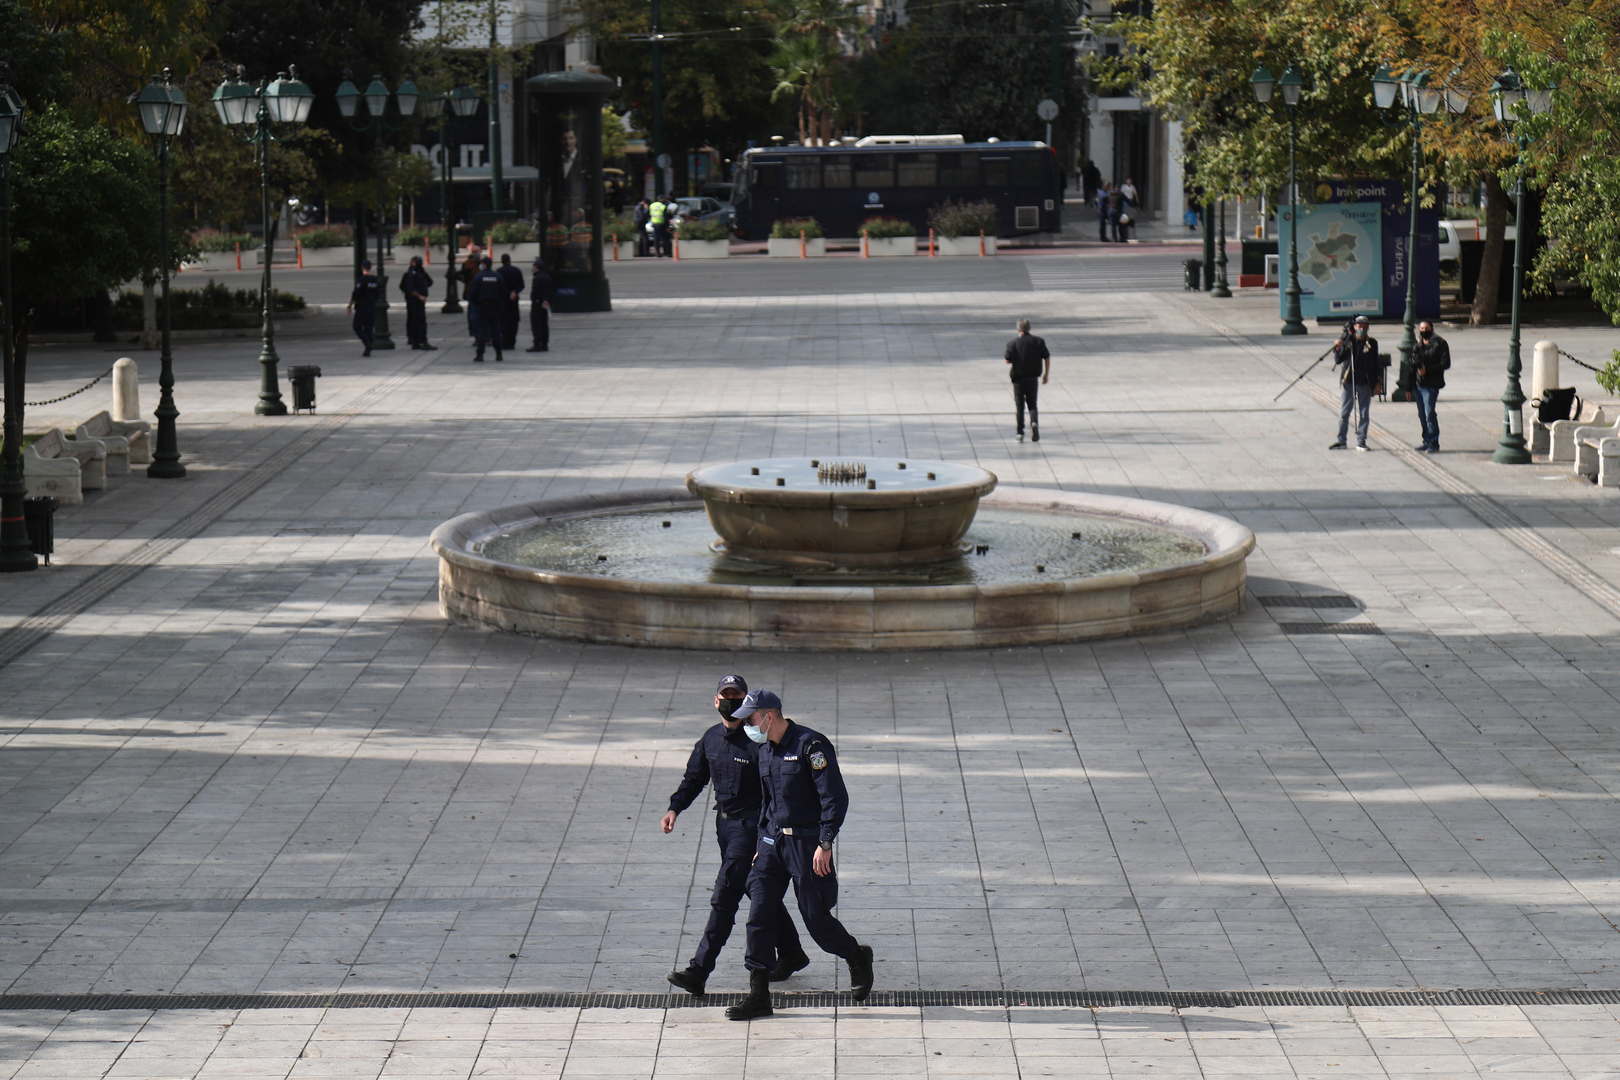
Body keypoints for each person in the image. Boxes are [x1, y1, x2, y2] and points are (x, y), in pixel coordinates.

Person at [725, 688, 874, 1022]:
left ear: (769, 716)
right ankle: (759, 994)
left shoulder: (811, 746)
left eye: (750, 719)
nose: (747, 725)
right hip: (772, 845)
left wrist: (825, 843)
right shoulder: (765, 751)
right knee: (760, 915)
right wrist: (761, 842)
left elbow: (834, 797)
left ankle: (856, 955)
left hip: (808, 846)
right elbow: (767, 802)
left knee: (816, 920)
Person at [662, 675, 809, 998]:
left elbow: (775, 792)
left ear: (745, 701)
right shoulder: (711, 738)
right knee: (755, 889)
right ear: (715, 701)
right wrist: (675, 809)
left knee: (725, 895)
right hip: (724, 827)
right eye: (724, 695)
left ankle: (699, 970)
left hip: (750, 829)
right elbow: (694, 778)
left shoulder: (757, 742)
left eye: (736, 695)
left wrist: (767, 835)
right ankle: (791, 952)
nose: (729, 701)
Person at [1330, 314, 1381, 451]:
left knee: (1364, 413)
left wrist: (1378, 381)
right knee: (1344, 412)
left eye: (1365, 327)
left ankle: (1361, 441)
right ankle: (1341, 440)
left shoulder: (1372, 343)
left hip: (1365, 381)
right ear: (1355, 327)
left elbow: (1377, 363)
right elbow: (1338, 360)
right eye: (1360, 326)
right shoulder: (1348, 341)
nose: (1362, 329)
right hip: (1349, 381)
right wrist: (1338, 348)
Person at [1004, 318, 1051, 443]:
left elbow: (1007, 360)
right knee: (1032, 404)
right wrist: (1046, 374)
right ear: (1029, 328)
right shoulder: (1039, 342)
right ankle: (1034, 422)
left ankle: (1020, 432)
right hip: (1032, 378)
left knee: (1020, 406)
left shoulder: (1012, 343)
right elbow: (1046, 357)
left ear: (1018, 329)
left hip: (1018, 379)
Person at [1412, 319, 1450, 453]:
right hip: (1418, 384)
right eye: (1421, 329)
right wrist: (1408, 386)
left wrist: (1427, 369)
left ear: (1432, 329)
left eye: (1426, 328)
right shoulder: (1418, 345)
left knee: (1429, 413)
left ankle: (1434, 442)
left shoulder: (1440, 343)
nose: (1423, 331)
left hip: (1431, 384)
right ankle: (1426, 440)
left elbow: (1445, 363)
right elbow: (1413, 365)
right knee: (1422, 414)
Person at [464, 256, 506, 362]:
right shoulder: (498, 276)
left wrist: (475, 304)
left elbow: (472, 293)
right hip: (495, 308)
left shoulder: (478, 277)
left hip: (482, 307)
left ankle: (480, 354)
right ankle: (499, 353)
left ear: (484, 265)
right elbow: (503, 292)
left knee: (482, 331)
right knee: (496, 331)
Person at [399, 255, 435, 350]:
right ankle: (421, 340)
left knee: (415, 321)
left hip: (418, 300)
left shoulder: (421, 273)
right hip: (414, 300)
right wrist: (420, 295)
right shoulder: (411, 274)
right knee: (419, 320)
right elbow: (410, 288)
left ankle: (415, 341)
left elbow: (430, 282)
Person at [346, 259, 380, 356]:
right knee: (368, 328)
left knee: (357, 326)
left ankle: (367, 342)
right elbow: (377, 294)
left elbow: (356, 294)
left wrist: (350, 305)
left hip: (362, 306)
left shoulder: (361, 280)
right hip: (372, 306)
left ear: (362, 268)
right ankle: (368, 347)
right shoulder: (375, 280)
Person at [496, 254, 525, 351]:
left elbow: (499, 287)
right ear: (510, 261)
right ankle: (512, 341)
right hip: (514, 299)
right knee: (514, 321)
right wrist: (514, 292)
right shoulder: (516, 271)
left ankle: (505, 341)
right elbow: (521, 285)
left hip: (504, 300)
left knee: (504, 322)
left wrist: (508, 293)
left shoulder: (499, 272)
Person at [526, 258, 552, 353]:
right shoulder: (547, 277)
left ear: (536, 267)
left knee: (536, 324)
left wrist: (540, 300)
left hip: (537, 304)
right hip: (545, 304)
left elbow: (536, 291)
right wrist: (546, 301)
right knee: (544, 323)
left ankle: (537, 343)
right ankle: (544, 343)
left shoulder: (537, 278)